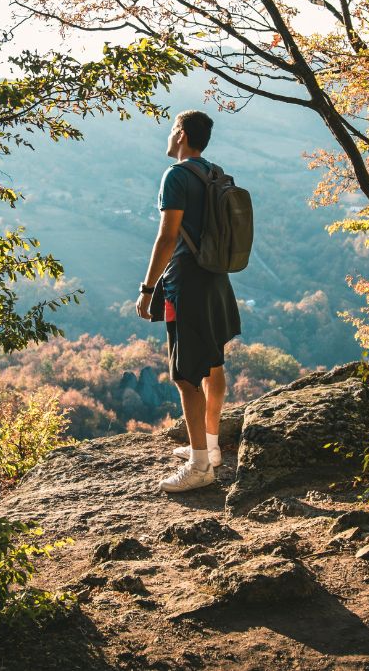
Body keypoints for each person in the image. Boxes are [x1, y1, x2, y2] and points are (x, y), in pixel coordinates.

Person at [136, 110, 241, 493]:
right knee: (213, 362)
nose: (168, 136)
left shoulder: (176, 175)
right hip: (216, 279)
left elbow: (167, 237)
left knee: (184, 376)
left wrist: (148, 289)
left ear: (180, 134)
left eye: (171, 130)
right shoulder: (213, 171)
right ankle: (210, 447)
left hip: (188, 285)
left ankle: (199, 468)